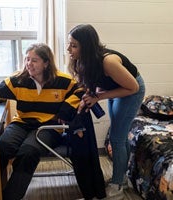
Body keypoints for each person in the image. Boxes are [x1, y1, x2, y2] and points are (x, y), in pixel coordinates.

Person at [0, 43, 100, 200]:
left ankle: (10, 196)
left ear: (46, 63)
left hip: (49, 127)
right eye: (27, 59)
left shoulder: (63, 80)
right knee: (1, 148)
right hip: (22, 123)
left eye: (34, 60)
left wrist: (66, 107)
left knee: (28, 153)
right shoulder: (17, 80)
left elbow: (81, 90)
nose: (29, 64)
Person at [67, 24, 146, 199]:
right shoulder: (84, 60)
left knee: (116, 138)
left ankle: (117, 186)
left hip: (131, 90)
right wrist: (88, 96)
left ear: (86, 46)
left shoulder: (108, 61)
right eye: (69, 44)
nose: (68, 49)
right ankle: (122, 178)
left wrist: (99, 97)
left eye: (73, 45)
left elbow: (132, 87)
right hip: (116, 88)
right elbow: (90, 83)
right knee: (120, 135)